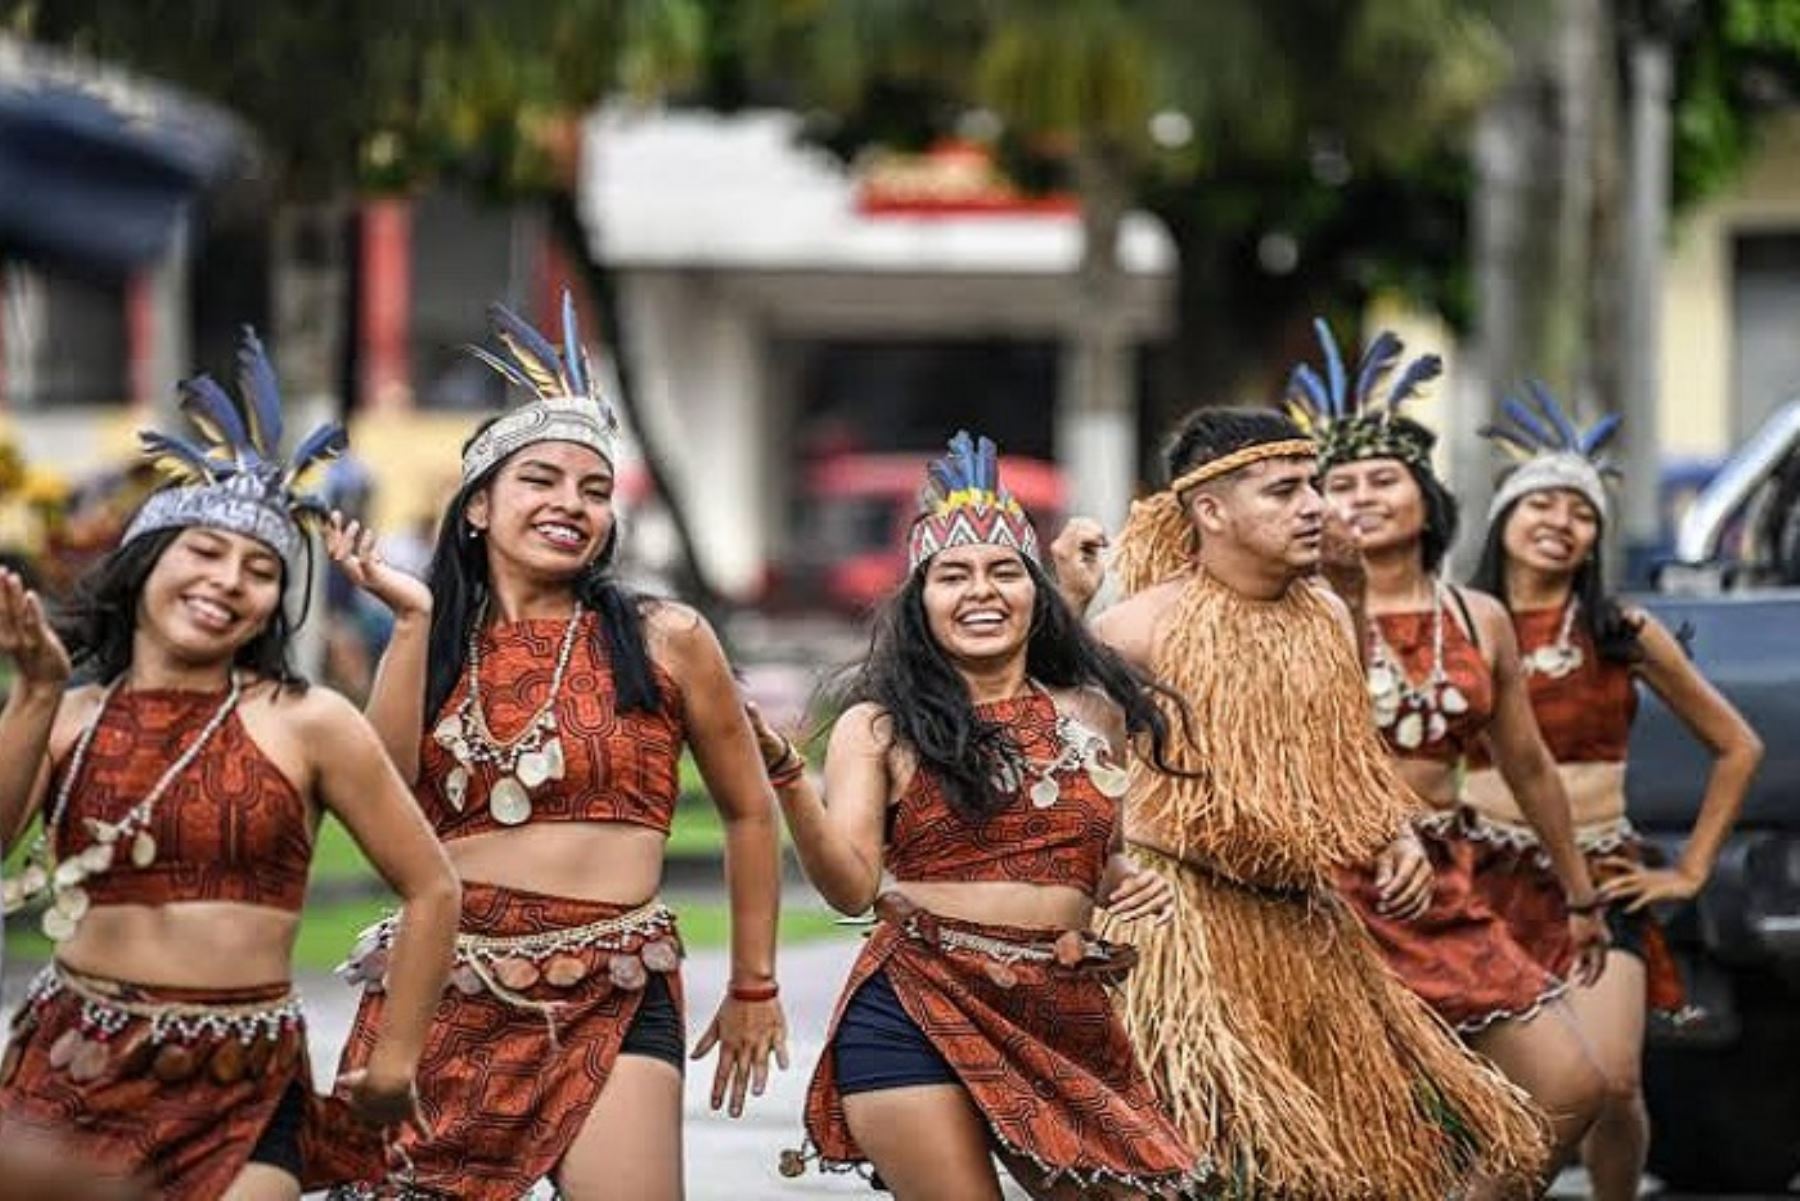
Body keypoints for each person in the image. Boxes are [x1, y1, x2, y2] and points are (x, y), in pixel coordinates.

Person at [317, 293, 787, 1201]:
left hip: (614, 979)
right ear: (477, 508)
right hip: (442, 985)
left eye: (595, 488)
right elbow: (381, 800)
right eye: (542, 480)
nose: (572, 503)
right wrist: (410, 623)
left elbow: (746, 808)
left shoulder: (666, 637)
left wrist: (756, 981)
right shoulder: (434, 641)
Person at [0, 329, 460, 1199]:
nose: (228, 581)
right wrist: (30, 694)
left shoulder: (308, 721)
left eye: (260, 570)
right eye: (203, 553)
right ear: (144, 566)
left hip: (244, 1085)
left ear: (270, 610)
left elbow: (433, 885)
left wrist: (398, 1057)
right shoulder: (69, 718)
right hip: (68, 1066)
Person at [1054, 407, 1548, 1200]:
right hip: (1175, 931)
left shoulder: (1324, 612)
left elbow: (1347, 754)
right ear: (1211, 511)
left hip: (1303, 924)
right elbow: (1067, 780)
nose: (1317, 505)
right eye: (1286, 491)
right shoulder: (1136, 630)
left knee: (1345, 1172)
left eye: (1313, 486)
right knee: (1187, 1170)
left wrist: (1393, 836)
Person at [758, 432, 1202, 1199]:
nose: (981, 591)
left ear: (1035, 592)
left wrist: (1122, 878)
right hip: (915, 1003)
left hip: (1059, 1008)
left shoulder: (1095, 713)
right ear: (919, 602)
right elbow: (852, 889)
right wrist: (791, 779)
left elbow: (1091, 850)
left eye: (1004, 572)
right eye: (952, 575)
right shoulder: (880, 726)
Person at [1295, 322, 1613, 1176]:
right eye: (1340, 483)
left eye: (1382, 479)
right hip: (1327, 887)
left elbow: (1529, 765)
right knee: (1372, 1123)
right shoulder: (1291, 614)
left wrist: (1581, 895)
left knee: (1573, 1086)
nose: (1360, 497)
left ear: (1423, 497)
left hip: (1444, 882)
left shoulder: (1479, 617)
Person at [1466, 385, 1763, 1201]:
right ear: (1503, 520)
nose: (1560, 521)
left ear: (1598, 536)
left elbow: (1738, 745)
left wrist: (1690, 870)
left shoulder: (1620, 631)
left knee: (1614, 1083)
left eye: (1581, 511)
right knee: (1507, 1091)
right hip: (1477, 883)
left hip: (1598, 881)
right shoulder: (1456, 624)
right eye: (1540, 504)